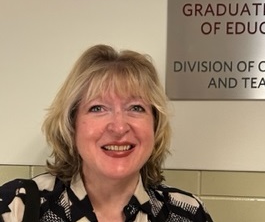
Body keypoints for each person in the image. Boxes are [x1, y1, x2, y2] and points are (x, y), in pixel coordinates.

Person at [0, 44, 213, 221]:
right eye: (98, 108)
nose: (119, 127)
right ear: (71, 124)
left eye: (136, 108)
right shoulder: (18, 206)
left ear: (155, 125)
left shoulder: (186, 214)